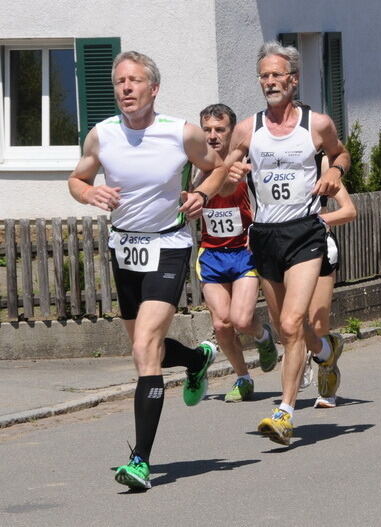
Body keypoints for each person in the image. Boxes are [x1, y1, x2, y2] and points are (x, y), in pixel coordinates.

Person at [68, 51, 229, 489]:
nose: (125, 88)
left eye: (134, 81)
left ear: (153, 88)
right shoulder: (101, 135)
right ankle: (197, 358)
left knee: (145, 346)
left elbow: (217, 169)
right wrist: (88, 195)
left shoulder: (180, 132)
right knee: (146, 351)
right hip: (124, 248)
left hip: (167, 245)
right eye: (120, 81)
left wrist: (203, 195)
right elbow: (76, 178)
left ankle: (140, 459)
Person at [224, 42, 350, 446]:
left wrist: (334, 172)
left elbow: (341, 153)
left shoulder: (317, 124)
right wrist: (230, 172)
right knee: (284, 329)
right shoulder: (248, 128)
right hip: (265, 235)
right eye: (264, 76)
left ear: (293, 80)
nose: (270, 82)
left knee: (294, 322)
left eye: (277, 75)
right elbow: (228, 171)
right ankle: (326, 350)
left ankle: (285, 411)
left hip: (305, 232)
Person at [193, 103, 279, 403]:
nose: (213, 136)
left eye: (220, 129)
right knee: (221, 323)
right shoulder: (197, 166)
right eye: (207, 130)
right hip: (212, 255)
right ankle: (243, 377)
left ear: (231, 133)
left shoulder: (246, 166)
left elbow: (266, 202)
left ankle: (263, 336)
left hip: (244, 253)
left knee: (242, 320)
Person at [308, 154, 357, 408]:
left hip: (319, 247)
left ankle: (326, 382)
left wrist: (314, 223)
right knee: (287, 323)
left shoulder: (323, 166)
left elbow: (349, 210)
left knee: (317, 322)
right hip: (282, 248)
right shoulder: (268, 162)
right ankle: (328, 347)